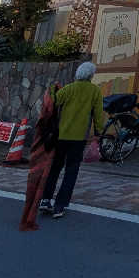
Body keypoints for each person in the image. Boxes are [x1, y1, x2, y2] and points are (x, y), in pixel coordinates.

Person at [39, 61, 105, 219]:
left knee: (55, 168)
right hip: (79, 137)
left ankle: (45, 199)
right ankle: (59, 206)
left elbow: (54, 101)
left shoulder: (69, 88)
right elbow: (98, 113)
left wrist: (53, 88)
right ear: (91, 75)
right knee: (71, 171)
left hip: (61, 135)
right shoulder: (95, 91)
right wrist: (98, 132)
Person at [18, 84, 59, 231]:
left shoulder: (46, 111)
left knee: (36, 180)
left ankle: (30, 212)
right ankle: (31, 214)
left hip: (42, 146)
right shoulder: (57, 106)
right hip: (49, 146)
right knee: (40, 179)